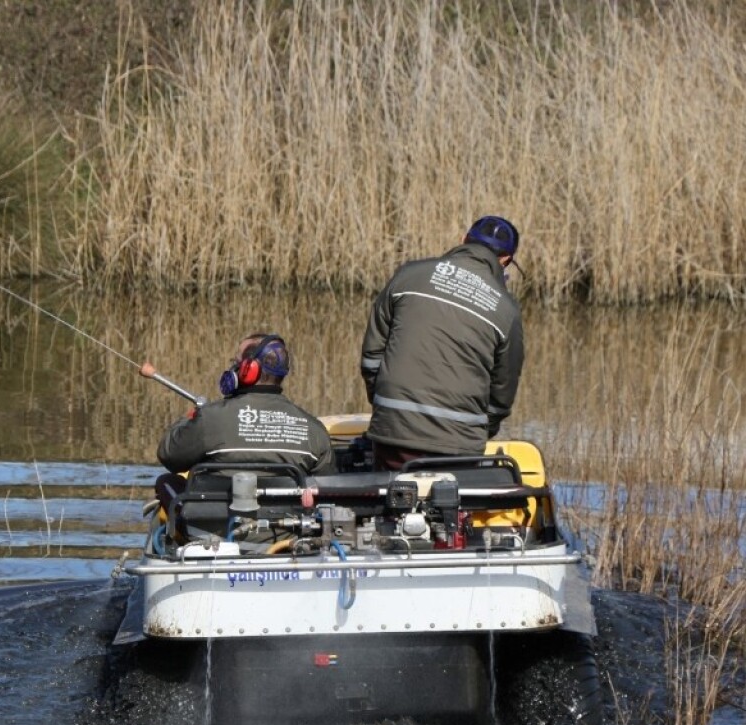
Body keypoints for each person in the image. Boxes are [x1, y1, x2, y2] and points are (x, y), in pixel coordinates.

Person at [360, 215, 525, 471]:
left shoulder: (409, 275)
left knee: (393, 502)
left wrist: (384, 406)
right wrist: (477, 431)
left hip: (394, 431)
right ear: (505, 261)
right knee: (450, 505)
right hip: (459, 444)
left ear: (463, 240)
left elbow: (372, 357)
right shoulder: (507, 310)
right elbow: (502, 395)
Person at [154, 333, 336, 513]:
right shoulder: (314, 430)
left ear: (248, 370)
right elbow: (326, 487)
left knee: (166, 481)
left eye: (236, 362)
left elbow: (169, 455)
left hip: (209, 532)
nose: (233, 368)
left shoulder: (210, 417)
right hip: (285, 535)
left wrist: (192, 416)